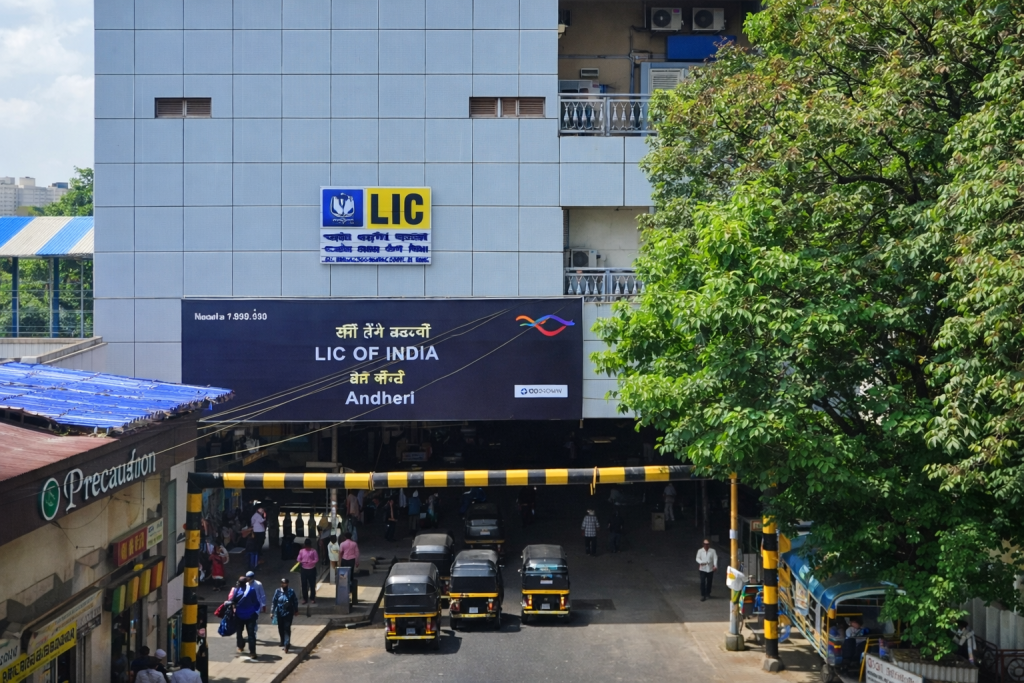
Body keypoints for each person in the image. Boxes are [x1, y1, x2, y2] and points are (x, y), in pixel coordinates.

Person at [233, 575, 262, 659]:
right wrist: (255, 610)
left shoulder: (236, 590)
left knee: (239, 632)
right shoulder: (251, 590)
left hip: (239, 615)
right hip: (250, 615)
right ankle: (252, 653)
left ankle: (240, 646)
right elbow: (256, 602)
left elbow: (233, 601)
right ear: (246, 582)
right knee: (251, 634)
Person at [272, 578, 299, 654]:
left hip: (288, 612)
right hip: (279, 612)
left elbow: (295, 601)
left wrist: (296, 610)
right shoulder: (277, 591)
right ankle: (282, 641)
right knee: (280, 627)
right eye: (282, 583)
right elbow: (274, 602)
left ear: (287, 584)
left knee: (287, 628)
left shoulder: (291, 591)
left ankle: (286, 644)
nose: (284, 585)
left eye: (285, 583)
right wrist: (272, 612)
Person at [339, 531, 360, 604]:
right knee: (351, 574)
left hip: (344, 559)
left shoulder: (342, 544)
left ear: (345, 537)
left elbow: (340, 553)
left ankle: (343, 587)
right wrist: (357, 562)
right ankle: (350, 587)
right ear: (351, 537)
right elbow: (357, 553)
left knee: (343, 575)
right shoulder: (354, 544)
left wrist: (339, 561)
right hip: (352, 560)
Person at [297, 539, 319, 605]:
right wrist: (302, 561)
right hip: (304, 569)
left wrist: (311, 562)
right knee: (304, 584)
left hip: (312, 569)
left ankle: (312, 598)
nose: (307, 548)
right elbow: (298, 559)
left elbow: (316, 559)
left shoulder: (313, 551)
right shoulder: (301, 551)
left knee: (312, 584)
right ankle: (305, 598)